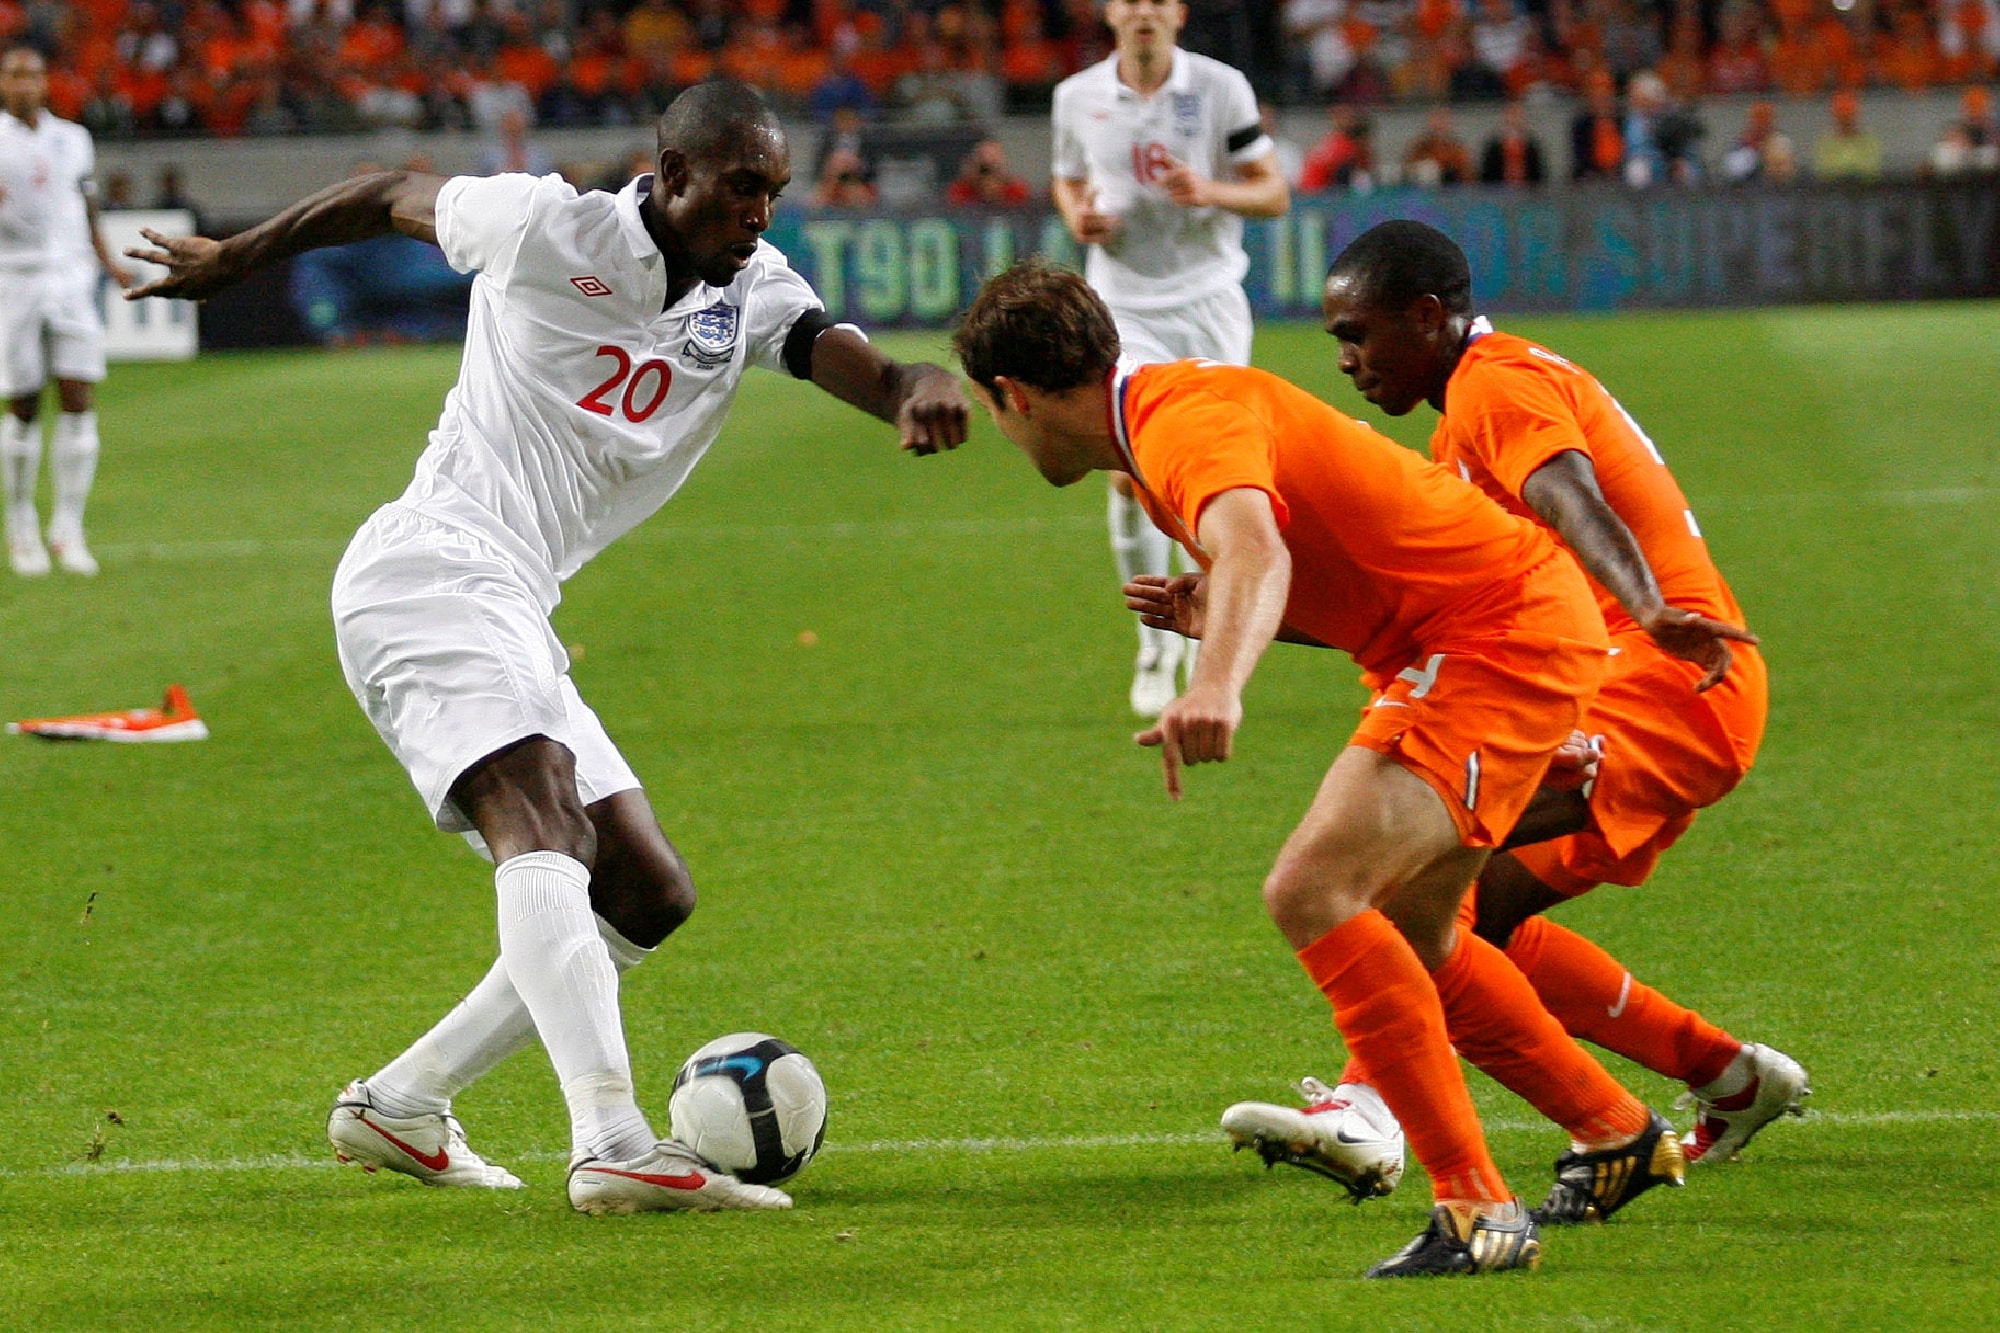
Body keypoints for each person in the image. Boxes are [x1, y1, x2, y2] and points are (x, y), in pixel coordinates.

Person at [126, 80, 970, 1216]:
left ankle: (403, 1100)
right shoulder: (542, 224)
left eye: (770, 190)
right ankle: (611, 1139)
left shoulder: (750, 290)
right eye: (736, 189)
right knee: (547, 821)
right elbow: (385, 193)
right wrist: (238, 256)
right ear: (668, 177)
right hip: (433, 566)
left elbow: (843, 355)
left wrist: (915, 383)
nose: (758, 213)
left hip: (512, 596)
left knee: (642, 886)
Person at [954, 258, 1687, 1279]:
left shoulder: (1175, 427)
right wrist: (1217, 607)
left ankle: (1478, 1210)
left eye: (994, 416)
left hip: (1494, 636)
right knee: (1414, 930)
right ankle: (1614, 1132)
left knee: (1312, 886)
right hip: (1472, 629)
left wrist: (1214, 682)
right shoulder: (1163, 418)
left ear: (1012, 396)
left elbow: (1256, 547)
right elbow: (1307, 555)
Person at [1278, 219, 1807, 1175]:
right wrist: (1249, 612)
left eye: (1358, 334)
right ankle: (1724, 1073)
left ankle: (1371, 1106)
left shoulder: (1496, 388)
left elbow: (1571, 495)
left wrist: (1647, 606)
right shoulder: (1476, 403)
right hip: (1637, 683)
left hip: (1659, 684)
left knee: (1407, 885)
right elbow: (1432, 600)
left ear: (1428, 317)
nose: (1348, 361)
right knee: (1476, 910)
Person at [1050, 0, 1289, 717]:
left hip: (1209, 304)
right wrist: (1075, 217)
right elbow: (1067, 177)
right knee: (1128, 474)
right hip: (1122, 306)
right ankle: (1153, 641)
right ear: (1111, 14)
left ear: (1177, 14)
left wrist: (1210, 190)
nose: (1143, 11)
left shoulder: (1221, 88)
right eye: (1130, 0)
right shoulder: (1076, 96)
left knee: (1208, 477)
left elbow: (1273, 192)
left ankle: (1203, 625)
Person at [0, 46, 135, 578]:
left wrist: (110, 265)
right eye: (13, 74)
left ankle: (68, 528)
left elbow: (86, 205)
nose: (24, 83)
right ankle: (20, 524)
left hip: (71, 277)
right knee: (25, 405)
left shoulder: (73, 138)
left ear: (46, 82)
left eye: (32, 74)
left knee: (79, 398)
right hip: (13, 278)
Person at [1813, 88, 1882, 181]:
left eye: (1849, 116)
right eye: (1842, 116)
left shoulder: (1868, 141)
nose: (1846, 120)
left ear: (1855, 115)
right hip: (1832, 191)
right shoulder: (1826, 142)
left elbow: (1872, 170)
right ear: (1835, 117)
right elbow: (1824, 171)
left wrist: (1846, 170)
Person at [944, 137, 1034, 207]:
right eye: (983, 166)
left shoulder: (1016, 190)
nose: (988, 175)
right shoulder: (960, 191)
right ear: (973, 165)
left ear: (1002, 165)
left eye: (993, 164)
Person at [1479, 98, 1547, 186]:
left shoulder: (1532, 146)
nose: (1515, 118)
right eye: (1512, 114)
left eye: (1519, 115)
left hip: (1528, 191)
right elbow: (1486, 175)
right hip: (1498, 191)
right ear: (1505, 117)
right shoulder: (1493, 146)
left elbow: (1539, 174)